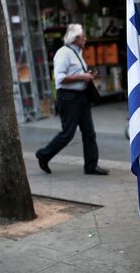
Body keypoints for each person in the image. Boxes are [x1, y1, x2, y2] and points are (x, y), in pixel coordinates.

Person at [35, 24, 108, 175]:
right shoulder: (63, 53)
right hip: (69, 98)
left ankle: (91, 166)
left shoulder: (78, 52)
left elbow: (74, 73)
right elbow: (60, 79)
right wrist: (83, 76)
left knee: (89, 132)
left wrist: (87, 75)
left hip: (81, 97)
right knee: (67, 134)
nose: (85, 39)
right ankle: (44, 154)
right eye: (83, 37)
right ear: (75, 39)